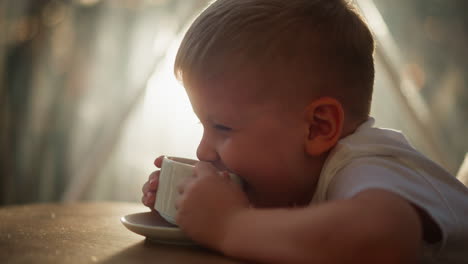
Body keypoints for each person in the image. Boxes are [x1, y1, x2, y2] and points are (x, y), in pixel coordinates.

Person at [141, 0, 468, 263]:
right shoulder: (309, 179)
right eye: (202, 125)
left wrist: (230, 225)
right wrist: (195, 208)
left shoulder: (364, 163)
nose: (203, 152)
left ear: (318, 127)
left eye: (223, 127)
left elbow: (385, 237)